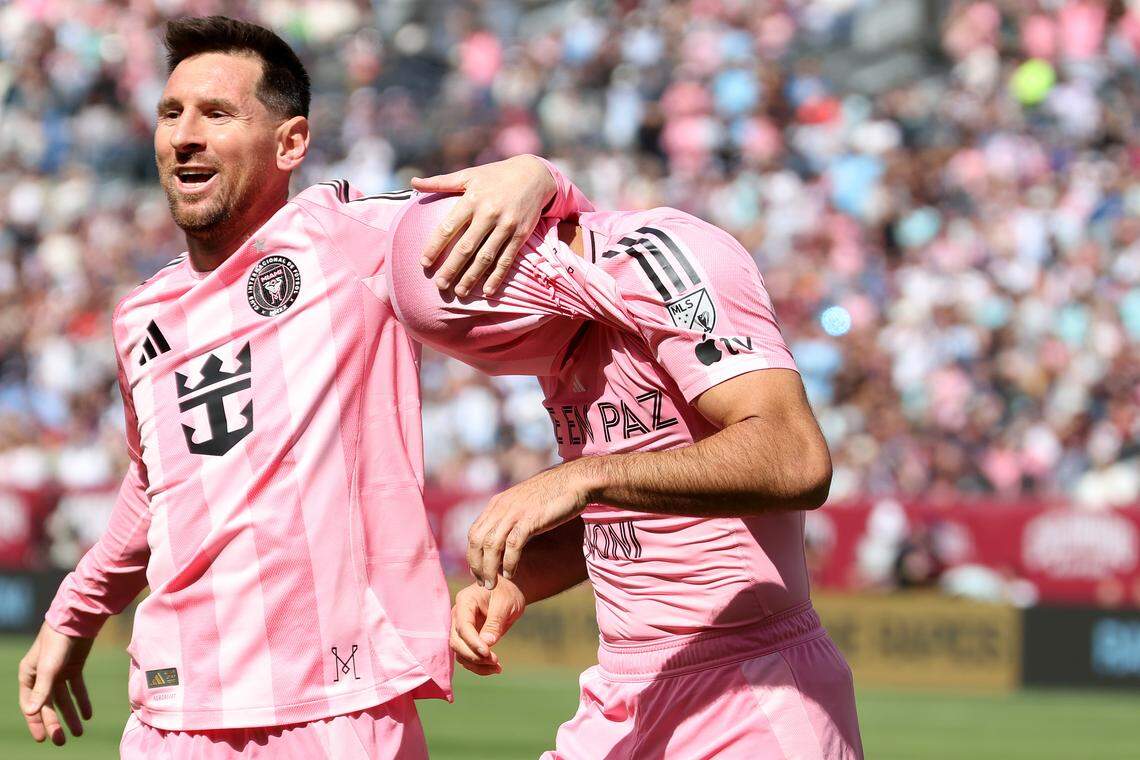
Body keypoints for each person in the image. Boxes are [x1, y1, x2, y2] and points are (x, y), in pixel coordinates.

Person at [16, 16, 592, 759]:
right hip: (170, 713)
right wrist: (74, 614)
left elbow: (533, 222)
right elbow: (159, 480)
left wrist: (540, 175)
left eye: (217, 113)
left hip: (336, 707)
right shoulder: (141, 318)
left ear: (291, 143)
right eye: (171, 113)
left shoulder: (354, 239)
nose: (184, 135)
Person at [385, 193, 865, 758]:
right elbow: (629, 511)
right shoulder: (566, 320)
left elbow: (794, 457)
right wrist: (519, 581)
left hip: (751, 687)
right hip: (624, 686)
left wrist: (583, 477)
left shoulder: (662, 257)